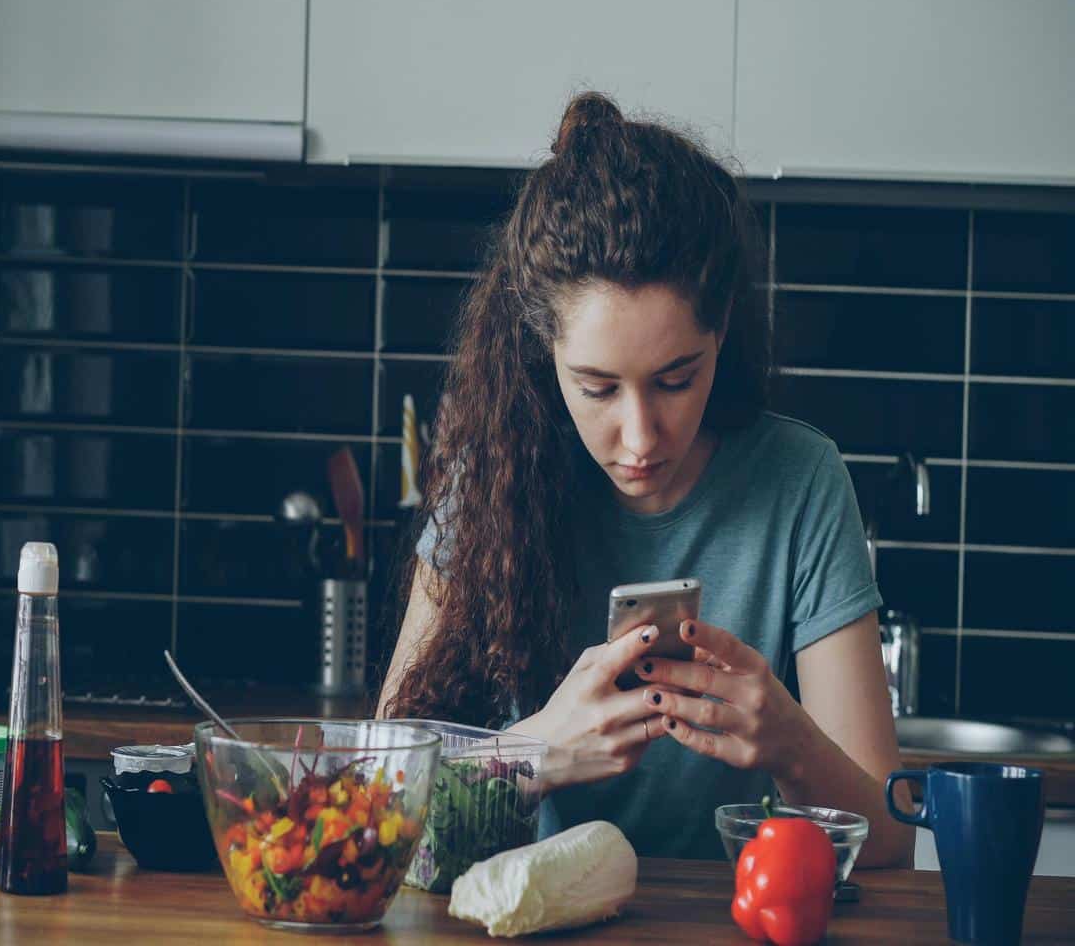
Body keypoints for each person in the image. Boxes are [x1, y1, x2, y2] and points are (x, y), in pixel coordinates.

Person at [378, 92, 913, 867]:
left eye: (675, 380)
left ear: (721, 330)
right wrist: (539, 753)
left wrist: (791, 742)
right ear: (544, 351)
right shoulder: (490, 480)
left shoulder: (800, 482)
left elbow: (891, 842)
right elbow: (378, 797)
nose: (639, 438)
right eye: (596, 388)